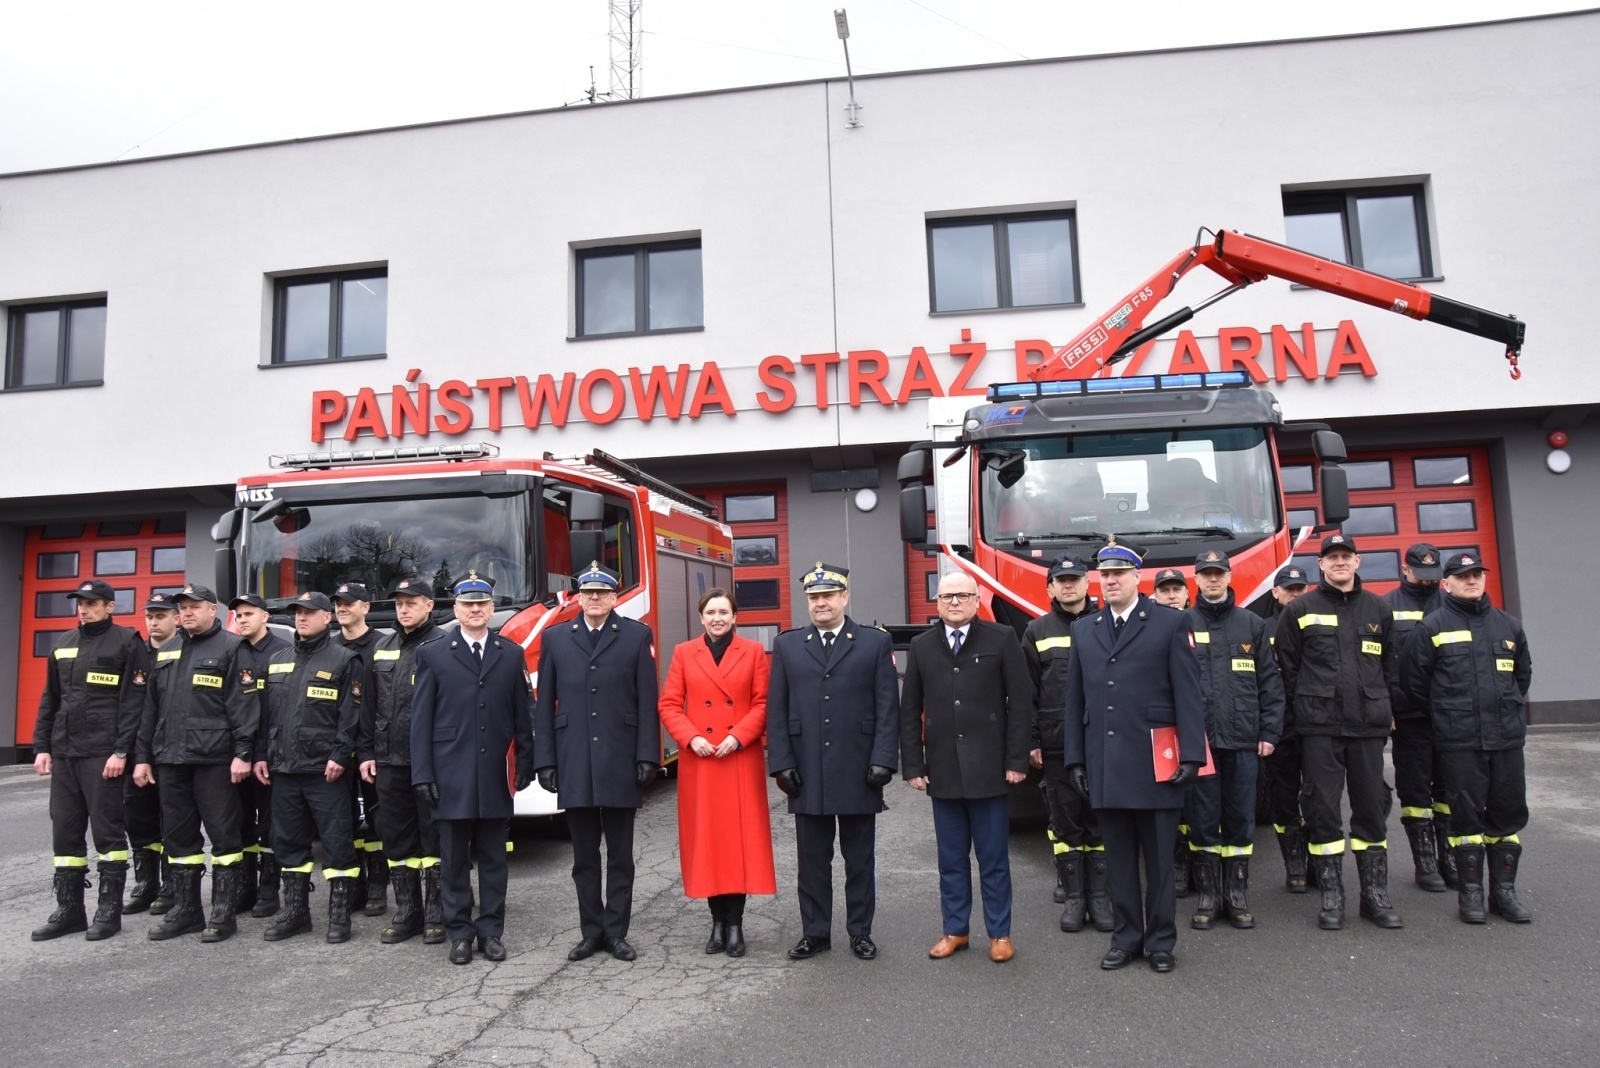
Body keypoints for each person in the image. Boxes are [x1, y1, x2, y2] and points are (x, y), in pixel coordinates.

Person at [1063, 539, 1205, 974]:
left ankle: (1161, 941)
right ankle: (1126, 939)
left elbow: (1189, 695)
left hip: (1156, 763)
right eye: (1103, 576)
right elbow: (1075, 701)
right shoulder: (1084, 629)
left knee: (1161, 862)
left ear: (1136, 577)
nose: (1109, 582)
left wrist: (1192, 755)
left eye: (1117, 575)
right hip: (1106, 761)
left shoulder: (1168, 623)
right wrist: (1075, 760)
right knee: (1120, 862)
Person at [766, 562, 898, 961]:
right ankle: (816, 933)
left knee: (859, 860)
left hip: (858, 769)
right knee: (812, 861)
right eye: (813, 597)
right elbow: (777, 709)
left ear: (845, 597)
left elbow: (887, 706)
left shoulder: (874, 643)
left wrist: (883, 759)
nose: (820, 603)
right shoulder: (788, 645)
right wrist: (781, 762)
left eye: (827, 595)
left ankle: (860, 932)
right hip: (806, 770)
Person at [901, 570, 1033, 963]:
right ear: (937, 604)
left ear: (977, 601)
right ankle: (955, 930)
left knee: (993, 859)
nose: (954, 603)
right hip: (942, 772)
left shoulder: (1001, 639)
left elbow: (1021, 702)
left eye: (962, 596)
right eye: (946, 597)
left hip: (991, 771)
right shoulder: (922, 646)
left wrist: (1016, 760)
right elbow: (910, 710)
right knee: (951, 860)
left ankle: (1000, 934)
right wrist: (913, 764)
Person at [1275, 534, 1403, 931]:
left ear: (1357, 562)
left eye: (1346, 556)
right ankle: (1332, 896)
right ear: (1322, 566)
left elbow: (1390, 669)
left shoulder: (1378, 609)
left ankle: (1374, 897)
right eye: (1332, 558)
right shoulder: (1300, 609)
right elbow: (1289, 667)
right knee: (1324, 810)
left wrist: (1387, 709)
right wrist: (1309, 706)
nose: (1340, 562)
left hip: (1367, 726)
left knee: (1371, 810)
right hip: (1320, 727)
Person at [533, 563, 660, 963]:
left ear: (613, 597)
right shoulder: (555, 639)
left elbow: (646, 702)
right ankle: (592, 932)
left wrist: (647, 755)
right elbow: (545, 707)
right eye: (587, 592)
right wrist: (546, 761)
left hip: (621, 757)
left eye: (602, 593)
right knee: (584, 858)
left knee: (620, 856)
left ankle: (617, 932)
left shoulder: (637, 636)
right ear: (577, 597)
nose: (594, 599)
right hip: (573, 759)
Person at [1401, 552, 1534, 924]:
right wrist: (1448, 714)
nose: (1472, 581)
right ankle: (1471, 895)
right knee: (1466, 818)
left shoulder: (1508, 626)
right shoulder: (1432, 627)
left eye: (1477, 574)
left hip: (1506, 739)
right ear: (1446, 584)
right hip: (1459, 741)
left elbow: (1521, 678)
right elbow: (1414, 683)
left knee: (1507, 816)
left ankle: (1504, 895)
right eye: (1462, 576)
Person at [411, 572, 535, 964]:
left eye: (482, 603)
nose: (476, 610)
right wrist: (423, 774)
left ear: (492, 608)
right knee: (453, 860)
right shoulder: (432, 653)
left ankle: (491, 931)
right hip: (450, 775)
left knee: (495, 859)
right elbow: (421, 721)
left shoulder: (510, 654)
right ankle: (460, 933)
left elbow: (522, 715)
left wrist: (526, 764)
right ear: (456, 609)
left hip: (494, 774)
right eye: (468, 604)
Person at [133, 583, 257, 942]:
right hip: (171, 759)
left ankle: (223, 912)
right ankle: (186, 910)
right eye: (182, 607)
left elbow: (244, 704)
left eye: (194, 606)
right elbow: (150, 709)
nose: (187, 612)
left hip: (215, 760)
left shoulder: (233, 647)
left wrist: (243, 753)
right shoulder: (167, 649)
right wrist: (143, 758)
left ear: (213, 610)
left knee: (223, 836)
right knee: (178, 839)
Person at [658, 588, 777, 957]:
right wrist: (690, 737)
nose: (717, 618)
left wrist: (739, 736)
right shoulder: (683, 652)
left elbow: (763, 702)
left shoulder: (754, 651)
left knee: (737, 842)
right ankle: (716, 923)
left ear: (735, 616)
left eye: (724, 611)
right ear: (701, 617)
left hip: (738, 758)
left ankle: (736, 924)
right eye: (711, 612)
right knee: (708, 842)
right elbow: (669, 703)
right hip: (701, 759)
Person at [31, 579, 147, 942]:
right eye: (80, 603)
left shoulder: (127, 642)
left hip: (103, 753)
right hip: (65, 753)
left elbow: (135, 702)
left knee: (107, 832)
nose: (84, 609)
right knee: (64, 831)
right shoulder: (63, 644)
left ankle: (108, 911)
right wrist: (42, 746)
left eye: (92, 603)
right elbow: (51, 698)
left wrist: (121, 751)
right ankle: (70, 911)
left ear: (110, 606)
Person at [252, 591, 364, 943]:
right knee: (288, 844)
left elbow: (352, 715)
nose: (301, 618)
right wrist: (261, 755)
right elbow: (264, 715)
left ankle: (339, 916)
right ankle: (296, 913)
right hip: (284, 770)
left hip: (324, 772)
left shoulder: (345, 659)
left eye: (309, 612)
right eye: (298, 613)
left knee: (336, 844)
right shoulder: (279, 659)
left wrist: (340, 755)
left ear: (326, 617)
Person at [1182, 550, 1284, 930]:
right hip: (1201, 744)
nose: (1213, 580)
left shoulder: (1252, 625)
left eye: (1218, 573)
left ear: (1228, 576)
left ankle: (1236, 897)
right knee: (1203, 821)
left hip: (1244, 740)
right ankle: (1209, 898)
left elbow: (1270, 683)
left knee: (1241, 820)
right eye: (1206, 574)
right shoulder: (1182, 624)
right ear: (1197, 579)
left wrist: (1270, 732)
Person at [1022, 552, 1111, 934]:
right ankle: (1075, 900)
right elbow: (1027, 693)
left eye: (1075, 578)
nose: (1069, 584)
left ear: (1088, 584)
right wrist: (1032, 740)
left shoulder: (1108, 624)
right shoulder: (1036, 631)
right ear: (1050, 588)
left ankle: (1101, 899)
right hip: (1057, 742)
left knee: (1101, 821)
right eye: (1062, 580)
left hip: (1103, 741)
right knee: (1066, 821)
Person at [359, 575, 447, 944]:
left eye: (412, 602)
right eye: (399, 603)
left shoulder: (445, 645)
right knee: (396, 839)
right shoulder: (382, 647)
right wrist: (365, 752)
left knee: (434, 839)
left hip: (431, 761)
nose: (404, 608)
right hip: (389, 760)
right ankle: (407, 911)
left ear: (430, 605)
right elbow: (367, 705)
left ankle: (436, 913)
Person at [1383, 543, 1449, 892]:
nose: (1427, 582)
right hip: (1409, 715)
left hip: (1451, 715)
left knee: (1450, 788)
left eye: (1433, 576)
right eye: (1420, 575)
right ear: (1405, 571)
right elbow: (1380, 663)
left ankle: (1449, 858)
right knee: (1416, 789)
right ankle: (1425, 862)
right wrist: (1387, 707)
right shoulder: (1387, 607)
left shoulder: (1451, 603)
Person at [229, 593, 290, 917]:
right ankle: (245, 888)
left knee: (269, 824)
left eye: (248, 614)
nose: (242, 620)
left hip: (267, 754)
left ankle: (269, 890)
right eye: (238, 615)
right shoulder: (231, 651)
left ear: (265, 616)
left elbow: (277, 710)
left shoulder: (282, 652)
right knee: (239, 824)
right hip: (235, 755)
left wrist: (263, 752)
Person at [332, 582, 389, 917]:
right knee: (344, 822)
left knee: (378, 819)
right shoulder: (329, 646)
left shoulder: (383, 645)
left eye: (349, 603)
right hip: (339, 750)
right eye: (338, 603)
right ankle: (355, 886)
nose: (342, 608)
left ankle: (378, 889)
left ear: (365, 608)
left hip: (371, 746)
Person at [126, 592, 181, 916]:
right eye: (150, 616)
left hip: (173, 751)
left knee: (173, 821)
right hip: (137, 751)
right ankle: (145, 884)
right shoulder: (135, 654)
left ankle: (172, 886)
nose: (154, 622)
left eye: (160, 616)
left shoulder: (184, 651)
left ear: (175, 618)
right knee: (139, 819)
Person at [1261, 564, 1312, 892]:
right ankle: (1295, 864)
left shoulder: (1317, 623)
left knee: (1319, 796)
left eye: (1299, 589)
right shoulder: (1261, 628)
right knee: (1283, 797)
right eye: (1288, 589)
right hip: (1281, 726)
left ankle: (1321, 863)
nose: (1294, 594)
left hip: (1315, 723)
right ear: (1275, 593)